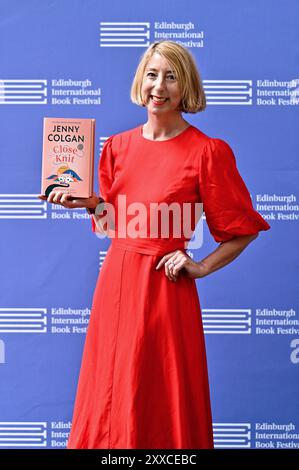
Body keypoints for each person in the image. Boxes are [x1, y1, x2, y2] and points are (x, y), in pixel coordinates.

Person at [38, 40, 270, 449]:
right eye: (151, 74)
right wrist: (92, 204)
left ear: (186, 87)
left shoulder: (207, 152)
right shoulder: (117, 147)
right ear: (140, 81)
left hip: (164, 290)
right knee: (109, 391)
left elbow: (242, 229)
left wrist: (201, 266)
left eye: (171, 76)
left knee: (161, 396)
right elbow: (115, 224)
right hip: (115, 285)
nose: (158, 86)